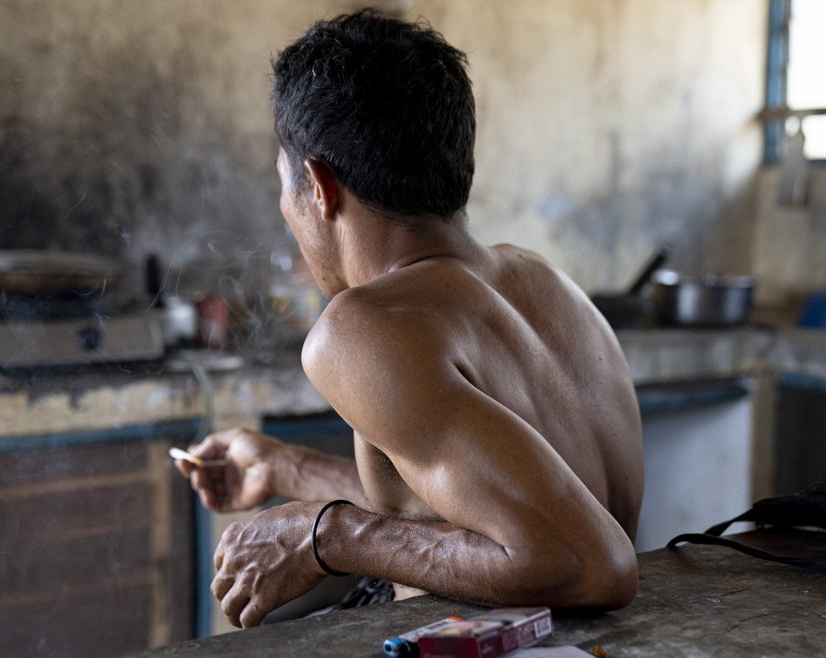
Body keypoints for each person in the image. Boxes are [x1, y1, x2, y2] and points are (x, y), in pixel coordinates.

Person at [175, 8, 644, 630]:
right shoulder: (550, 287)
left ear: (319, 186)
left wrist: (326, 535)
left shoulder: (364, 326)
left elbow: (591, 564)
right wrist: (286, 468)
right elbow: (480, 506)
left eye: (284, 184)